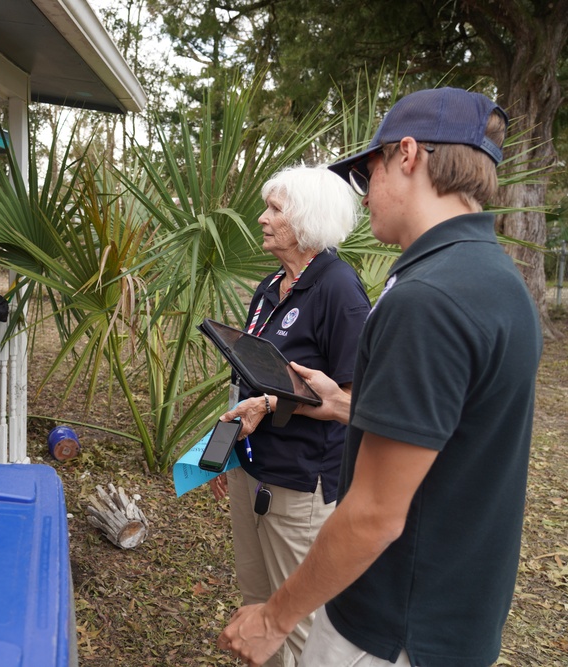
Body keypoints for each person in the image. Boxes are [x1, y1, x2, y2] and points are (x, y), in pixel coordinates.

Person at [218, 87, 543, 667]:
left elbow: (373, 514)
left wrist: (274, 617)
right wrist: (342, 406)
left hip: (390, 629)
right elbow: (447, 432)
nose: (363, 199)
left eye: (368, 175)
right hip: (451, 617)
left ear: (408, 155)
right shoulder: (495, 280)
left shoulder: (428, 298)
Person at [207, 164, 370, 666]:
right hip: (254, 470)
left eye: (275, 209)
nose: (261, 218)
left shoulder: (339, 290)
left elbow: (353, 396)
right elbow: (260, 373)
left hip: (299, 486)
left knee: (295, 626)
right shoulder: (271, 286)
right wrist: (230, 441)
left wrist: (270, 403)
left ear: (308, 219)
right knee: (257, 607)